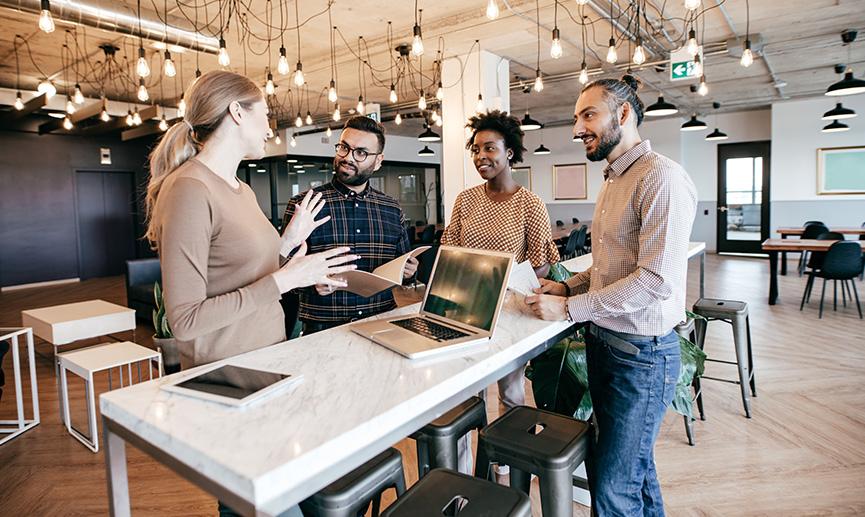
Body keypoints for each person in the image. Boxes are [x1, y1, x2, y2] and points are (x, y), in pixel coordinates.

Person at [526, 75, 697, 515]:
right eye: (575, 117)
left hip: (641, 358)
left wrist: (568, 307)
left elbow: (654, 280)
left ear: (623, 114)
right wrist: (567, 285)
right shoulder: (613, 179)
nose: (577, 128)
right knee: (631, 474)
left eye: (588, 115)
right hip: (610, 350)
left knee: (613, 489)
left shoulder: (662, 178)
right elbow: (607, 269)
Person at [440, 110, 560, 475]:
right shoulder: (465, 200)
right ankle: (462, 471)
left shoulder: (530, 203)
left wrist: (503, 282)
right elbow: (449, 250)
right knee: (465, 396)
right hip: (465, 311)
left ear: (510, 152)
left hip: (510, 313)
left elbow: (542, 264)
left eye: (489, 148)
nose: (481, 157)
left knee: (510, 393)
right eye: (475, 150)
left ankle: (506, 461)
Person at [281, 116, 417, 335]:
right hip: (323, 329)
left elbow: (401, 267)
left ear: (378, 160)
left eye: (361, 152)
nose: (348, 158)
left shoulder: (391, 209)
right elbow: (283, 273)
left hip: (381, 323)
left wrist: (409, 272)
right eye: (344, 148)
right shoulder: (304, 205)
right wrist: (312, 283)